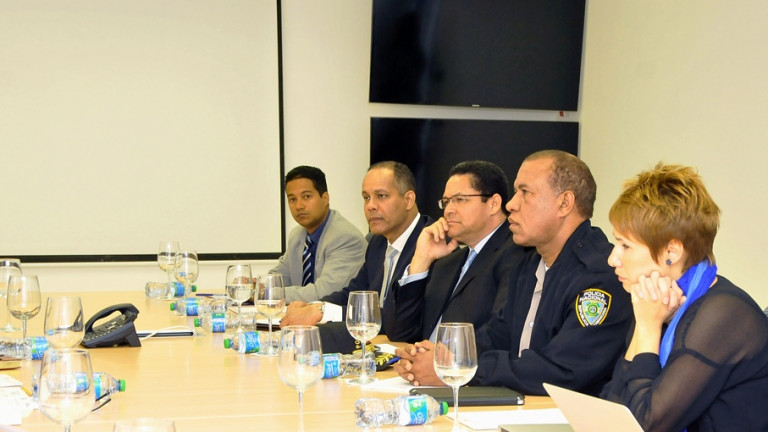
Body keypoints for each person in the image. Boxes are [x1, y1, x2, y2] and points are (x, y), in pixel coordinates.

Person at [394, 150, 633, 396]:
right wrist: (444, 357)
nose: (511, 204)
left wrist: (464, 368)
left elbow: (563, 371)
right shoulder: (528, 263)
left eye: (525, 192)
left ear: (564, 203)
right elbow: (497, 336)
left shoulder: (601, 274)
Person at [600, 163, 768, 431]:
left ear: (672, 252)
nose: (613, 258)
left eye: (625, 246)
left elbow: (646, 424)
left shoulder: (723, 315)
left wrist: (648, 328)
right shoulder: (658, 301)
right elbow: (613, 403)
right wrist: (646, 325)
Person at [279, 161, 432, 352]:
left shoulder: (432, 244)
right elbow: (351, 293)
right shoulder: (377, 243)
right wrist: (311, 307)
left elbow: (404, 321)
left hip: (411, 353)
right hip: (378, 349)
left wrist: (322, 311)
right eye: (366, 197)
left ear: (408, 200)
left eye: (381, 196)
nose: (370, 206)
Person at [385, 160, 528, 343]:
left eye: (460, 200)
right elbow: (400, 333)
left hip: (462, 361)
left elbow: (501, 335)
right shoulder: (448, 262)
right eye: (446, 202)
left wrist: (441, 356)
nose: (448, 211)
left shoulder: (517, 255)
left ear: (493, 204)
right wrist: (421, 260)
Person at [271, 166, 367, 303]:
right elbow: (279, 276)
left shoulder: (346, 238)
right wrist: (258, 285)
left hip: (337, 315)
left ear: (325, 198)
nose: (299, 206)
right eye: (292, 199)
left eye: (306, 197)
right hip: (304, 315)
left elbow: (323, 293)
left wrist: (269, 293)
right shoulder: (297, 235)